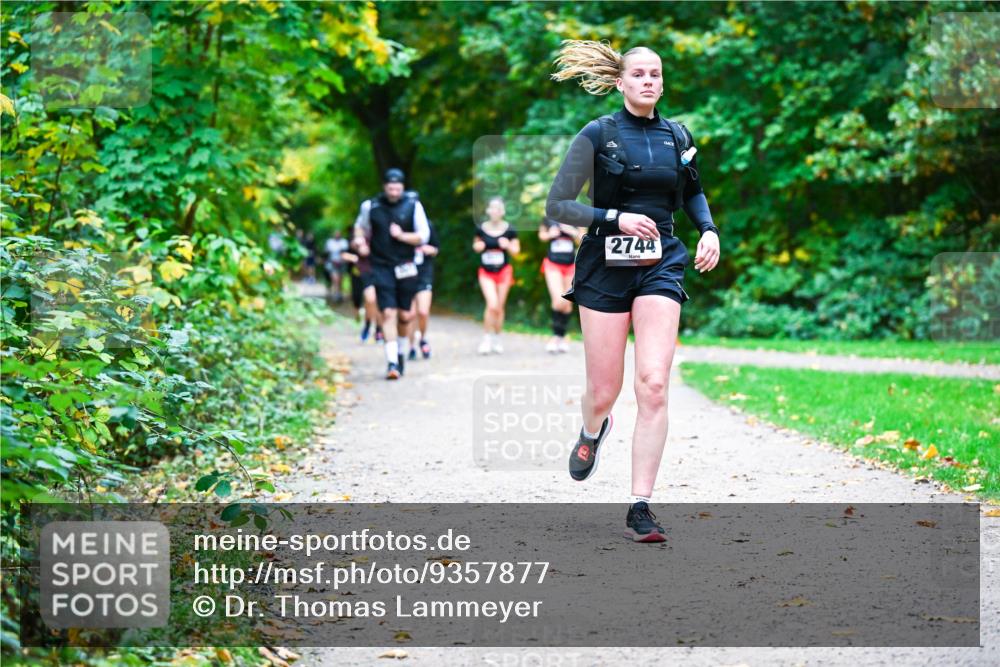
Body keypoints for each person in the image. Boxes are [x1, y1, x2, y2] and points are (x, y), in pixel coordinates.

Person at [547, 40, 721, 542]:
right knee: (605, 391)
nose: (648, 81)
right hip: (605, 263)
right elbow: (559, 205)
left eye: (656, 74)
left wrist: (707, 229)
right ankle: (591, 429)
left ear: (663, 82)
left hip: (660, 262)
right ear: (621, 82)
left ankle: (640, 505)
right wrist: (615, 216)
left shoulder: (677, 135)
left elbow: (692, 191)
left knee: (654, 383)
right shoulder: (597, 134)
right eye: (638, 74)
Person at [355, 168, 431, 379]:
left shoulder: (413, 205)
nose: (394, 191)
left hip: (406, 265)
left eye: (398, 187)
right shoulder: (371, 206)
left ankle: (401, 352)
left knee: (406, 315)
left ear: (403, 187)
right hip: (381, 265)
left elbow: (423, 236)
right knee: (388, 312)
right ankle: (391, 362)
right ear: (385, 186)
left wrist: (402, 236)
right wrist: (360, 241)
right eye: (391, 187)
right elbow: (360, 228)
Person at [473, 197, 520, 355]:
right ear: (488, 211)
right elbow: (476, 246)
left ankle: (497, 338)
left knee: (499, 307)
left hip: (504, 271)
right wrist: (479, 246)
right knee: (492, 304)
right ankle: (486, 339)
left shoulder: (510, 230)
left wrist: (508, 245)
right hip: (486, 272)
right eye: (492, 208)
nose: (495, 211)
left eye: (498, 208)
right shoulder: (481, 228)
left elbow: (516, 251)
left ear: (503, 212)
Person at [538, 217, 581, 353]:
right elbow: (541, 236)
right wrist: (550, 234)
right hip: (553, 264)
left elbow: (583, 239)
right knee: (558, 300)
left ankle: (561, 337)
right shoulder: (548, 218)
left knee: (567, 303)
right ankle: (555, 337)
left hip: (570, 265)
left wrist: (571, 231)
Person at [407, 219, 439, 360]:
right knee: (410, 314)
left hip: (424, 274)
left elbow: (436, 248)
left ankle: (423, 339)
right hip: (406, 274)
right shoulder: (401, 226)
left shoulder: (427, 225)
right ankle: (410, 345)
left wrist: (430, 250)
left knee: (423, 311)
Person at [349, 218, 383, 343]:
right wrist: (358, 245)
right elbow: (353, 244)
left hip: (381, 269)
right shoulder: (361, 230)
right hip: (366, 269)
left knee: (379, 301)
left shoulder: (383, 228)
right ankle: (368, 324)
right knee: (370, 299)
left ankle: (379, 329)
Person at [323, 229, 349, 304]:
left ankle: (339, 293)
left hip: (341, 263)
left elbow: (344, 252)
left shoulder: (344, 242)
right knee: (335, 279)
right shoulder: (330, 242)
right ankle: (336, 295)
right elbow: (326, 252)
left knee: (340, 280)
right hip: (332, 263)